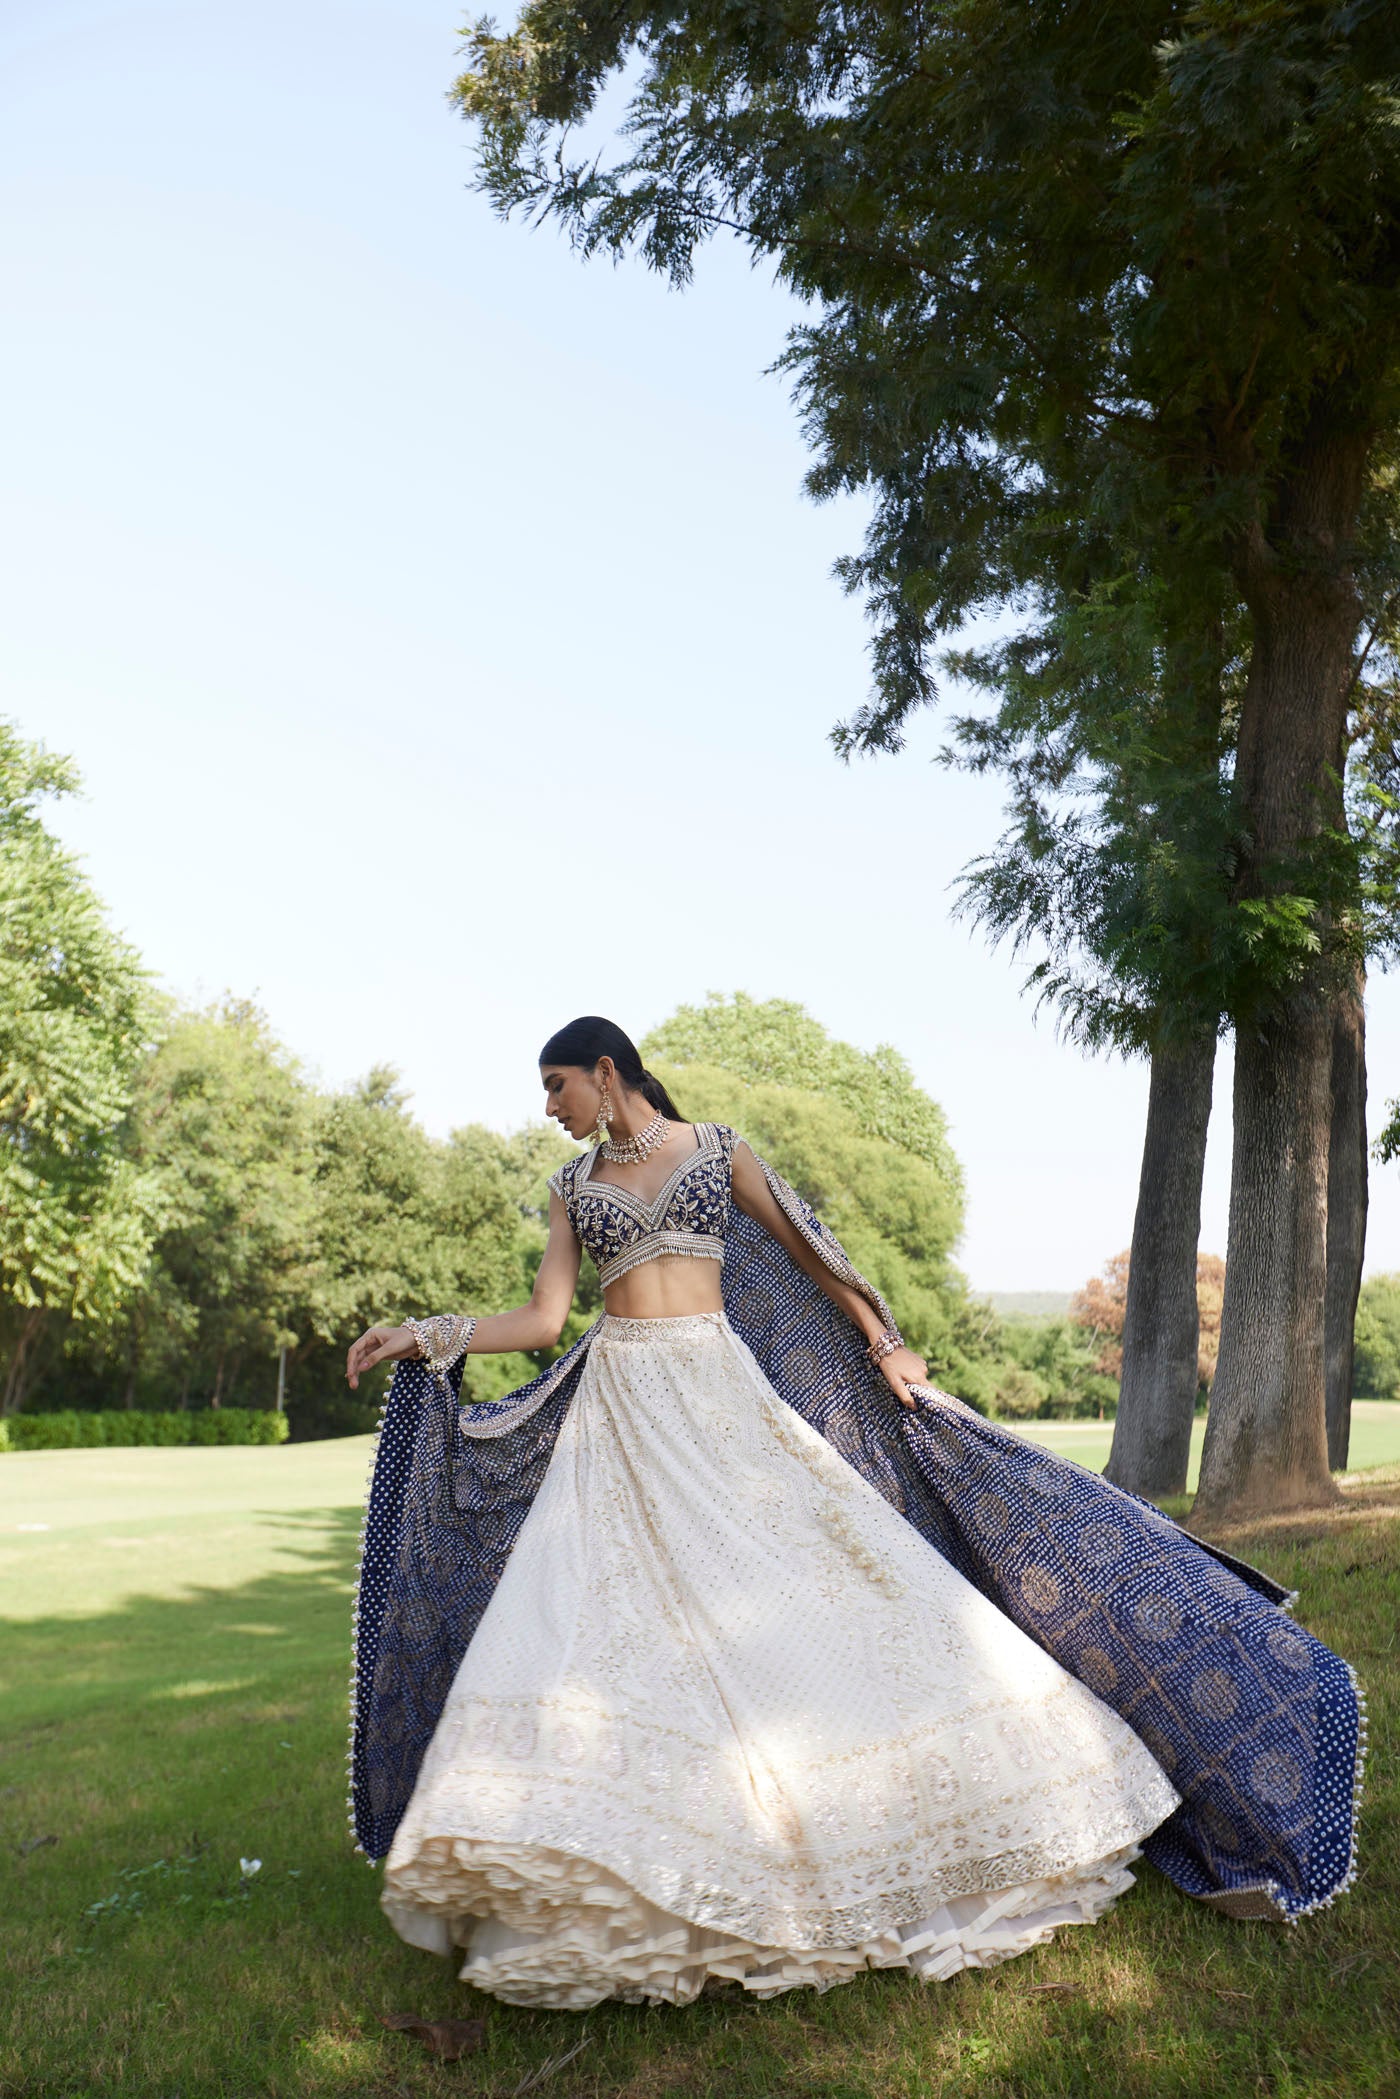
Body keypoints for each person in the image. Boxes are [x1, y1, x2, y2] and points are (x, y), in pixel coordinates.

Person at [345, 1018, 1364, 2012]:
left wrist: (885, 1343)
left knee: (823, 1582)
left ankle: (917, 1802)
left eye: (555, 1085)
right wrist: (427, 1334)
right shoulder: (572, 1186)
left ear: (605, 1071)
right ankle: (627, 1847)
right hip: (618, 1413)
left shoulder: (718, 1149)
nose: (549, 1107)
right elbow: (543, 1318)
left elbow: (809, 1248)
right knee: (603, 1617)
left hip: (715, 1395)